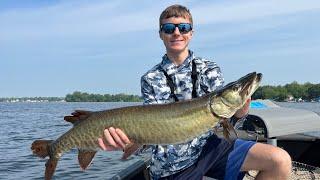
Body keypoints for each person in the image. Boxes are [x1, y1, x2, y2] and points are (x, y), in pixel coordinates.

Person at [74, 4, 292, 180]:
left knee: (279, 160)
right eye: (169, 28)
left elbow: (229, 119)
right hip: (172, 164)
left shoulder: (210, 68)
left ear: (191, 33)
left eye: (183, 27)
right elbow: (150, 133)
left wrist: (241, 108)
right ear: (161, 34)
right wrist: (123, 142)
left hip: (211, 148)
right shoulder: (151, 79)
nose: (176, 32)